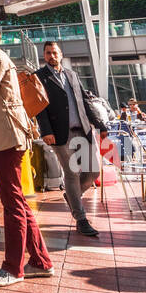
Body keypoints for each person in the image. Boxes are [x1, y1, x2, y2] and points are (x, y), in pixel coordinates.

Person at [0, 15, 52, 287]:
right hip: (6, 135)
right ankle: (40, 260)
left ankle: (13, 268)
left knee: (12, 203)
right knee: (18, 202)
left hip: (5, 137)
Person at [34, 41, 107, 238]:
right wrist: (46, 131)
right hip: (60, 134)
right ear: (44, 55)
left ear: (61, 54)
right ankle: (81, 218)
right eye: (48, 53)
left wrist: (100, 125)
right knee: (72, 174)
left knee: (92, 172)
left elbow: (85, 100)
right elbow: (40, 108)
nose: (51, 56)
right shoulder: (40, 77)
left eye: (54, 52)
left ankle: (71, 195)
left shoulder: (72, 74)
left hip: (83, 130)